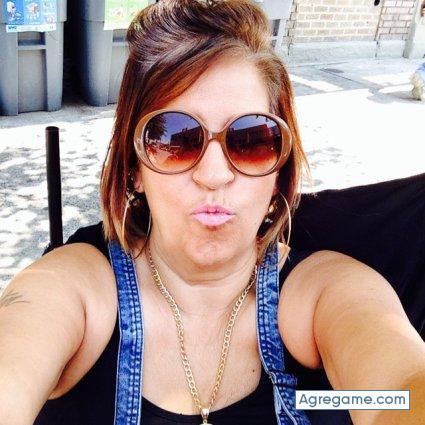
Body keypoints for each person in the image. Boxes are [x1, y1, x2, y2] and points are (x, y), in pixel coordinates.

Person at [1, 1, 424, 424]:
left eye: (252, 140)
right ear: (134, 170)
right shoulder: (75, 289)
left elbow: (399, 394)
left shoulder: (325, 294)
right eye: (175, 139)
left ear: (279, 171)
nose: (214, 175)